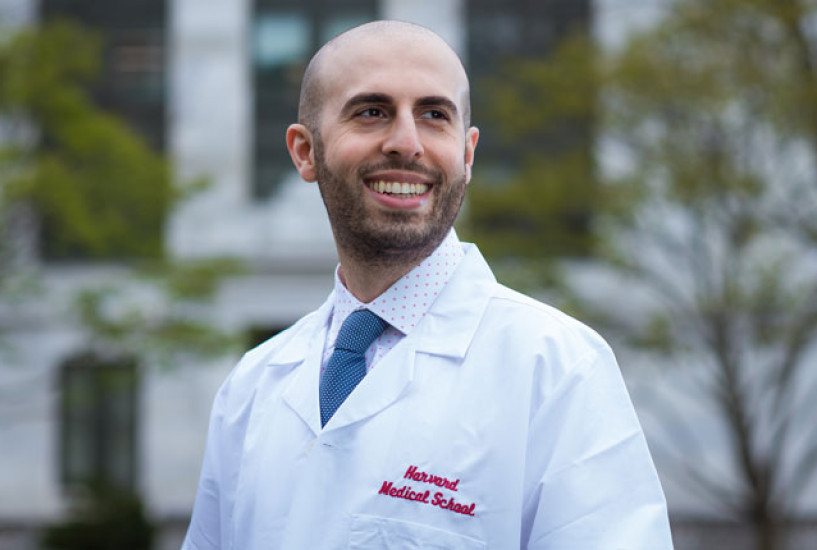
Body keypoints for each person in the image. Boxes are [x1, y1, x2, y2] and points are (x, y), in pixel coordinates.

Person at [183, 20, 673, 550]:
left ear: (466, 153)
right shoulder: (252, 388)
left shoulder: (558, 370)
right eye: (371, 111)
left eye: (434, 115)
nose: (406, 143)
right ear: (305, 151)